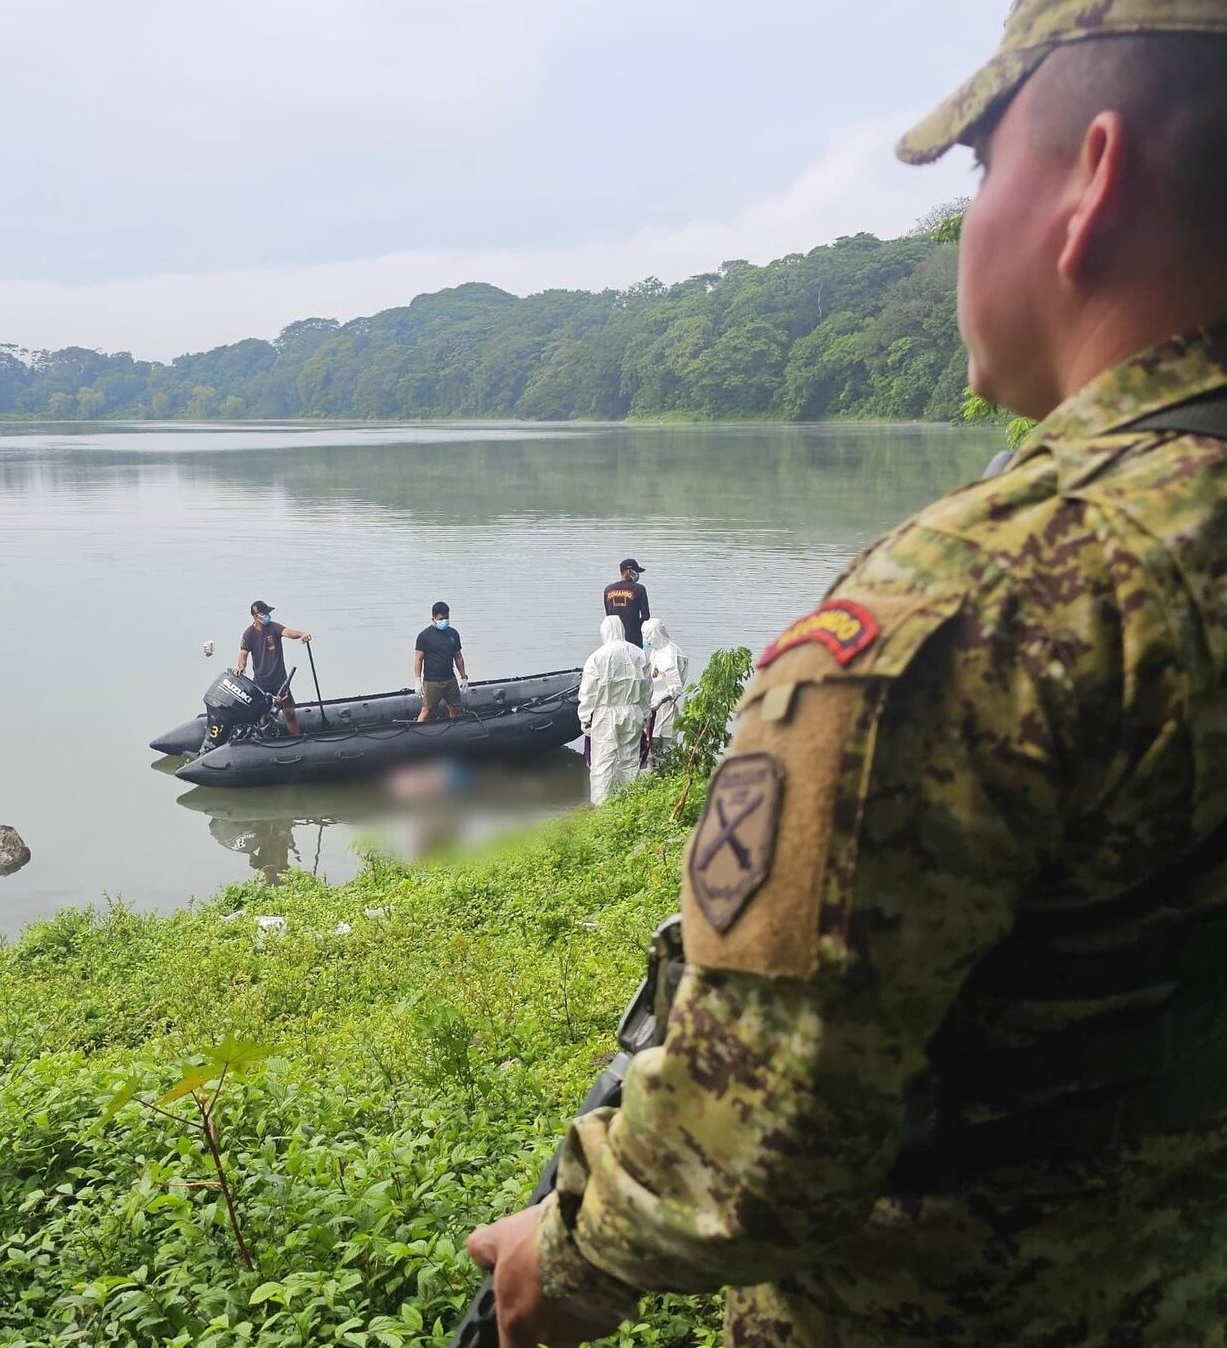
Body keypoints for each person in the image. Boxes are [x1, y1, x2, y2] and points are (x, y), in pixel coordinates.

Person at [468, 7, 1227, 1346]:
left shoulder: (974, 602)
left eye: (985, 173)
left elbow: (757, 1138)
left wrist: (568, 1250)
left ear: (1091, 180)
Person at [577, 616, 650, 806]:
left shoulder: (597, 657)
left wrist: (585, 718)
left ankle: (600, 809)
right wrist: (645, 713)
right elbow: (646, 687)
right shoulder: (639, 654)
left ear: (604, 633)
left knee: (602, 763)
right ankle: (629, 803)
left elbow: (588, 692)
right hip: (633, 711)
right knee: (630, 760)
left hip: (605, 714)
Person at [235, 600, 310, 736]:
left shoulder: (273, 627)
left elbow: (287, 632)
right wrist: (241, 667)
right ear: (256, 616)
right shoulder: (249, 634)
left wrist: (301, 634)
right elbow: (243, 654)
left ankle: (297, 739)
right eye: (265, 613)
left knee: (290, 713)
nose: (268, 616)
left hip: (280, 682)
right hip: (261, 683)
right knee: (263, 718)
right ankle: (265, 742)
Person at [639, 617, 690, 763]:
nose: (647, 640)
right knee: (651, 746)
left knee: (664, 746)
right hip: (653, 706)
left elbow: (676, 687)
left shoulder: (671, 655)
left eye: (649, 636)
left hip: (665, 708)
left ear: (656, 634)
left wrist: (661, 700)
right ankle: (654, 775)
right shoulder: (656, 651)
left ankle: (665, 776)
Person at [414, 601, 466, 722]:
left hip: (450, 678)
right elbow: (418, 659)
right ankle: (418, 731)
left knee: (455, 708)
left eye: (447, 618)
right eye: (441, 619)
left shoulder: (453, 634)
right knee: (427, 710)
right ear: (433, 618)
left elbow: (458, 656)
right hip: (432, 681)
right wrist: (417, 680)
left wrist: (464, 676)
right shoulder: (424, 636)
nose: (445, 621)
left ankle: (454, 730)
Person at [601, 559, 650, 648]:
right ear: (629, 571)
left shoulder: (608, 590)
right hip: (633, 638)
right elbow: (646, 616)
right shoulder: (639, 589)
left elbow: (609, 616)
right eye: (636, 572)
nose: (637, 575)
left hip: (613, 638)